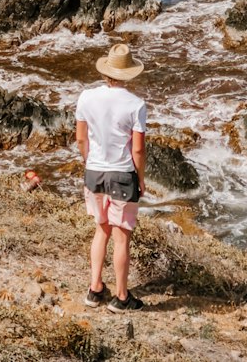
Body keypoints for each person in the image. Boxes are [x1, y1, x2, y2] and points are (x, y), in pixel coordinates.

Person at [75, 41, 147, 313]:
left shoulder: (86, 97)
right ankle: (121, 297)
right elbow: (137, 148)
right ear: (129, 73)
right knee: (121, 237)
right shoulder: (136, 105)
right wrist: (140, 179)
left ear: (106, 71)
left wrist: (89, 162)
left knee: (101, 230)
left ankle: (94, 290)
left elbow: (81, 138)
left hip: (94, 171)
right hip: (122, 175)